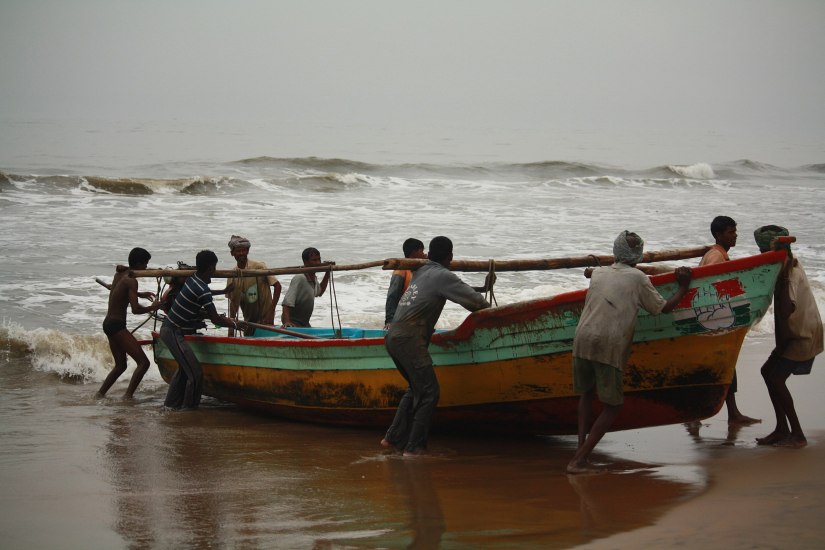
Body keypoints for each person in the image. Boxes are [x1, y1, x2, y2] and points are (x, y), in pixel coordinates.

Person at [567, 231, 693, 474]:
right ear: (638, 256)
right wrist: (684, 286)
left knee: (586, 393)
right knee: (613, 406)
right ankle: (578, 460)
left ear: (615, 252)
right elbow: (663, 308)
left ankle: (580, 450)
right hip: (608, 343)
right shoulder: (638, 278)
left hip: (582, 338)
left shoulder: (599, 272)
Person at [381, 236, 495, 456]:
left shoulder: (422, 270)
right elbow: (476, 303)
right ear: (450, 257)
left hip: (393, 337)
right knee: (429, 392)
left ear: (429, 254)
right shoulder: (442, 275)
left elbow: (456, 289)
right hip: (409, 340)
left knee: (416, 389)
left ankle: (392, 439)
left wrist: (482, 286)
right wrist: (496, 315)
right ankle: (414, 448)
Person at [754, 225, 823, 449]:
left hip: (802, 335)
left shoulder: (789, 272)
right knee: (767, 372)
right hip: (791, 335)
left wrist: (780, 278)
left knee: (775, 378)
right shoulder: (784, 264)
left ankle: (798, 434)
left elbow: (785, 311)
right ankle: (782, 428)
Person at [161, 250, 247, 410]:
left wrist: (223, 291)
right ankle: (189, 410)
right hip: (173, 332)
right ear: (210, 268)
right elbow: (215, 318)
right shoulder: (202, 289)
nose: (214, 272)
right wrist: (235, 324)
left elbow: (202, 293)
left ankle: (170, 406)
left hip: (169, 330)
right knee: (195, 374)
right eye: (214, 268)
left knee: (183, 370)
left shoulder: (193, 279)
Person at [698, 216, 760, 425]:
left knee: (724, 366)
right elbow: (708, 288)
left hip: (716, 320)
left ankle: (732, 413)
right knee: (720, 367)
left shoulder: (718, 254)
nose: (735, 236)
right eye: (730, 232)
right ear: (718, 235)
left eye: (735, 231)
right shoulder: (716, 256)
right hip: (713, 320)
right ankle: (723, 414)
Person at [97, 247, 163, 399]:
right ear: (139, 264)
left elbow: (120, 289)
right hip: (117, 326)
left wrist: (140, 294)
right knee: (143, 363)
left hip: (108, 323)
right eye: (145, 264)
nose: (146, 268)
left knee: (121, 365)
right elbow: (135, 309)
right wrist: (154, 307)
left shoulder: (119, 274)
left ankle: (99, 394)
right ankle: (127, 397)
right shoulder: (132, 280)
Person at [226, 235, 281, 336]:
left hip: (265, 319)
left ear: (248, 251)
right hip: (249, 321)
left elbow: (277, 286)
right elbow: (233, 304)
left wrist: (271, 312)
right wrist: (231, 330)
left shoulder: (259, 266)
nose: (241, 253)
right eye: (238, 251)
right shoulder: (232, 275)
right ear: (232, 253)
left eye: (244, 250)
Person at [281, 247, 333, 328]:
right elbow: (286, 303)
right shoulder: (300, 278)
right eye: (314, 260)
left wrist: (327, 272)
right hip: (294, 324)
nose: (318, 263)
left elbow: (320, 291)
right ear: (305, 262)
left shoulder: (313, 278)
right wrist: (287, 322)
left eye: (319, 259)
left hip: (305, 324)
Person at [385, 238, 426, 330]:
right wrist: (389, 320)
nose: (423, 254)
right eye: (421, 251)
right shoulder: (401, 270)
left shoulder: (420, 269)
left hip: (416, 318)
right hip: (402, 318)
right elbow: (392, 296)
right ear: (414, 252)